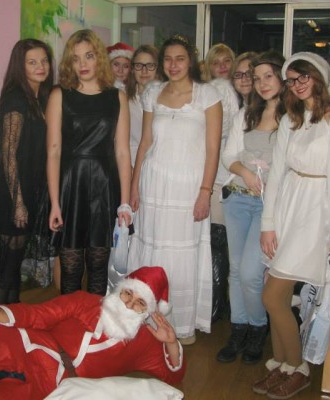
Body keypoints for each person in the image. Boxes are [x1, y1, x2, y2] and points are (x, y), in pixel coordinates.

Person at [0, 266, 186, 400]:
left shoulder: (143, 343)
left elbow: (172, 376)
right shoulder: (86, 301)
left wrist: (171, 344)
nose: (129, 304)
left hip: (48, 387)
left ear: (148, 312)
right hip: (27, 346)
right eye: (128, 294)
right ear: (120, 290)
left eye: (139, 303)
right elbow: (37, 314)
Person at [257, 52, 330, 398]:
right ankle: (283, 364)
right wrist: (268, 223)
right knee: (278, 294)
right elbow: (276, 174)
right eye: (292, 80)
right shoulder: (291, 119)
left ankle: (298, 367)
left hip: (317, 212)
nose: (298, 85)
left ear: (319, 77)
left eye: (304, 77)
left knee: (273, 295)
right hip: (289, 205)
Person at [127, 35, 222, 343]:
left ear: (190, 61)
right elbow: (145, 142)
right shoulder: (153, 92)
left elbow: (213, 149)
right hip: (153, 185)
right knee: (152, 250)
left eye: (180, 58)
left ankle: (179, 325)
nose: (173, 65)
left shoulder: (208, 95)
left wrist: (205, 191)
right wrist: (134, 186)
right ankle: (146, 320)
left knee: (181, 255)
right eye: (168, 59)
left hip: (187, 189)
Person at [46, 29, 132, 295]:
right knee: (70, 268)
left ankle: (94, 320)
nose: (82, 64)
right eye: (75, 58)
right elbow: (53, 152)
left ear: (99, 59)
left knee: (98, 266)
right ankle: (69, 320)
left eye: (89, 56)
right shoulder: (60, 95)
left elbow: (122, 152)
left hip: (104, 187)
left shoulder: (117, 97)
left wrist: (125, 203)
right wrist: (54, 202)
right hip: (71, 185)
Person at [217, 51, 286, 365]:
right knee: (235, 271)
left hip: (268, 207)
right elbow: (228, 156)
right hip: (237, 199)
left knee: (250, 272)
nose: (261, 83)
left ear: (281, 77)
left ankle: (258, 327)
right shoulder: (245, 114)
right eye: (257, 78)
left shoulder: (293, 119)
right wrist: (244, 172)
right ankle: (239, 329)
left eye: (268, 76)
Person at [0, 39, 54, 306]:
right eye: (32, 62)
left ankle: (10, 322)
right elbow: (8, 155)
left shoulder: (39, 98)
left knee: (14, 266)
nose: (40, 66)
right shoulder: (16, 99)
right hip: (13, 192)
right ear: (20, 66)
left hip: (28, 190)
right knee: (5, 270)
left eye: (44, 61)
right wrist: (18, 202)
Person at [202, 43, 240, 323]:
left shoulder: (235, 91)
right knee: (219, 241)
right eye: (217, 62)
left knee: (222, 243)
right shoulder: (218, 89)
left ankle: (219, 304)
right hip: (219, 176)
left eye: (227, 61)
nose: (223, 67)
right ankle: (217, 304)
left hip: (230, 176)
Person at [126, 44, 160, 166]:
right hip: (131, 164)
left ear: (157, 68)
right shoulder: (123, 99)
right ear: (132, 69)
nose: (144, 71)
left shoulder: (167, 99)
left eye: (150, 65)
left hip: (158, 165)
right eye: (139, 65)